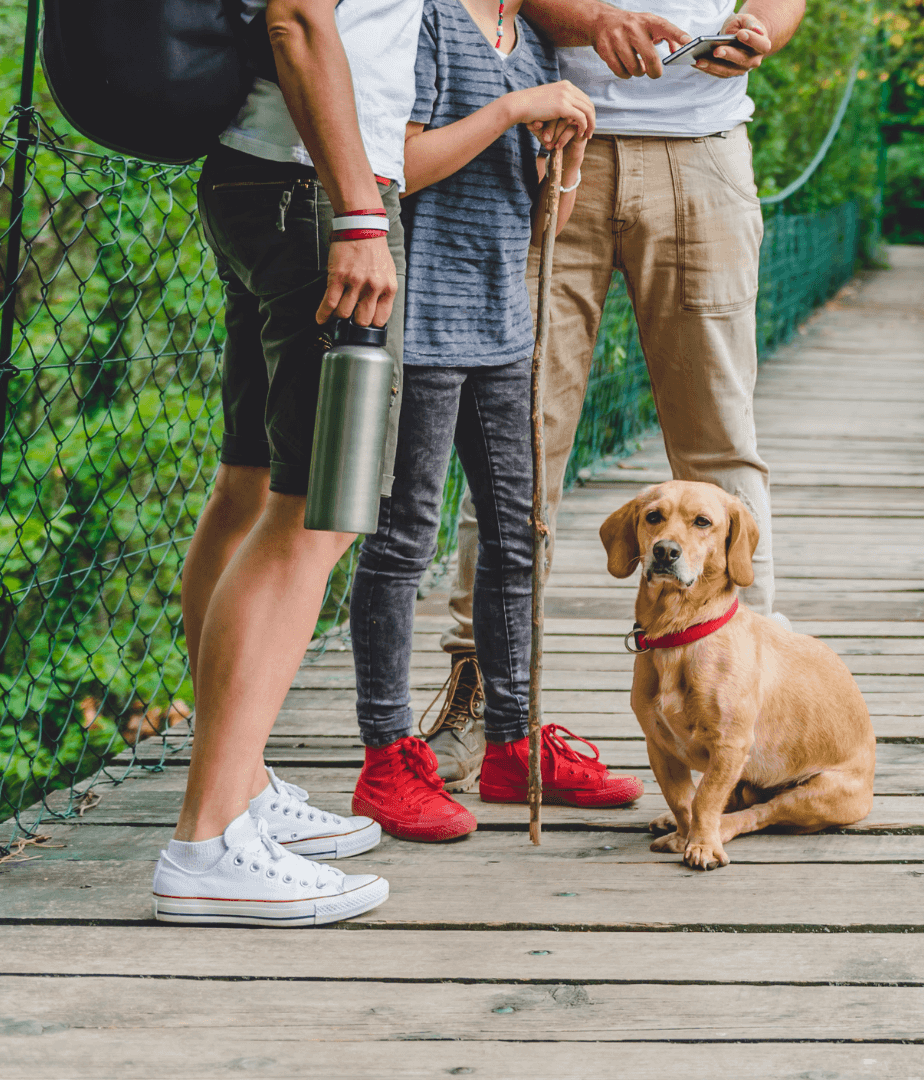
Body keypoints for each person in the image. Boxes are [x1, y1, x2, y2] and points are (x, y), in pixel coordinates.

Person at [419, 0, 808, 795]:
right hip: (551, 145)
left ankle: (751, 695)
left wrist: (761, 30)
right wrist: (595, 19)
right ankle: (483, 688)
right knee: (517, 435)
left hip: (705, 152)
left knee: (720, 442)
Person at [344, 0, 644, 841]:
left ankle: (513, 744)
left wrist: (569, 162)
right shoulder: (431, 22)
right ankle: (385, 754)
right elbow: (397, 161)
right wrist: (515, 109)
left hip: (503, 323)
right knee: (404, 537)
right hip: (424, 320)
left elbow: (542, 221)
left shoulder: (534, 38)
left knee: (519, 532)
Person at [152, 0, 423, 926]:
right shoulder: (337, 204)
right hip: (316, 193)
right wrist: (358, 213)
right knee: (320, 510)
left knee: (254, 484)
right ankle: (210, 839)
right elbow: (299, 17)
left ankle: (243, 787)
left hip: (264, 177)